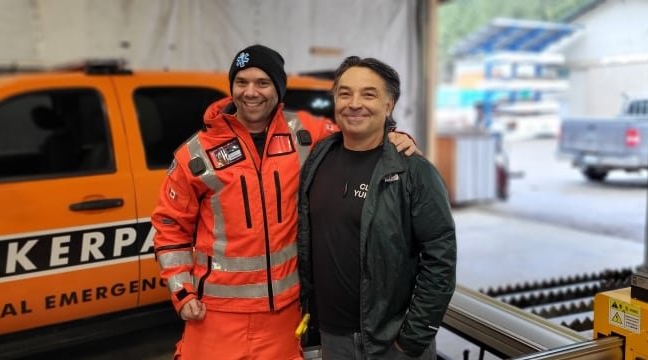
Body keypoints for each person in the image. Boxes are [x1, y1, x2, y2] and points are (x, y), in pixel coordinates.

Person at [151, 45, 417, 360]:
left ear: (278, 88)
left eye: (262, 83)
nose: (251, 92)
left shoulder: (305, 133)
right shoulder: (195, 155)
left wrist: (394, 136)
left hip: (284, 314)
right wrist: (181, 290)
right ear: (232, 87)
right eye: (242, 82)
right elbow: (170, 226)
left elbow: (358, 132)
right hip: (215, 315)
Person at [297, 56, 457, 359]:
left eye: (368, 94)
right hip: (333, 337)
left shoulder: (414, 171)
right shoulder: (319, 157)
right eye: (344, 93)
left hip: (391, 341)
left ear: (389, 104)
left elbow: (441, 258)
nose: (354, 103)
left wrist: (413, 336)